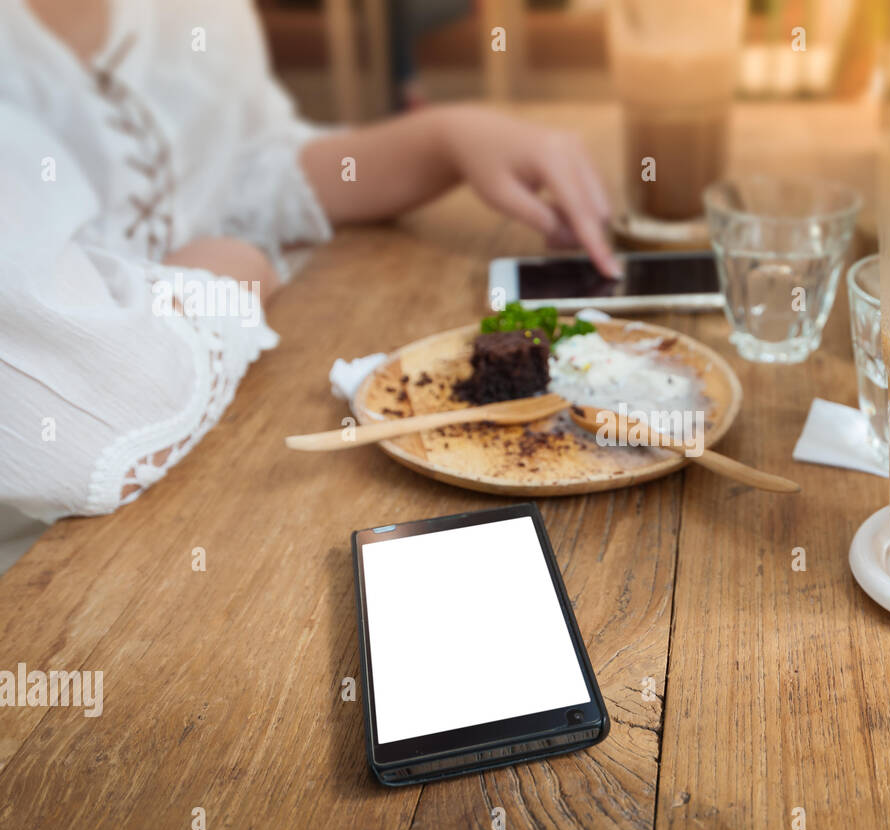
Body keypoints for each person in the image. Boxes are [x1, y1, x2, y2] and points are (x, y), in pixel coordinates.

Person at [0, 0, 618, 565]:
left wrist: (446, 140)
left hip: (239, 423)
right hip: (57, 561)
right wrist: (224, 272)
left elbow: (244, 172)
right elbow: (75, 424)